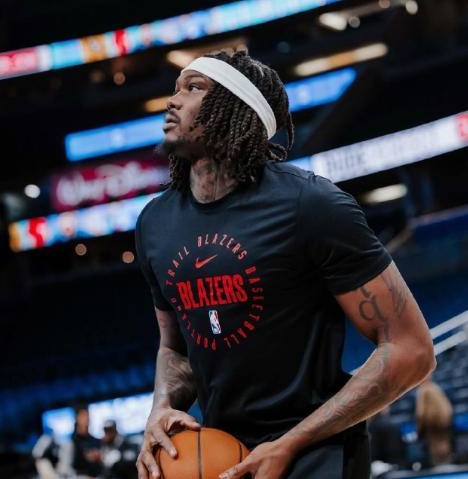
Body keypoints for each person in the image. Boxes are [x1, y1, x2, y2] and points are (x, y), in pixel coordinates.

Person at [135, 48, 436, 479]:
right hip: (226, 455)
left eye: (193, 88)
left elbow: (412, 349)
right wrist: (161, 407)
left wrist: (290, 443)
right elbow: (176, 349)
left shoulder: (311, 204)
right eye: (175, 87)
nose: (172, 100)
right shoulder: (155, 223)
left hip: (317, 455)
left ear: (235, 107)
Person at [416, 376, 453, 466]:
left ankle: (439, 466)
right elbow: (448, 407)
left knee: (435, 445)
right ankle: (447, 463)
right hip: (444, 420)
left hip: (432, 422)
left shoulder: (423, 390)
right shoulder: (436, 387)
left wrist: (419, 429)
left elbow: (420, 412)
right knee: (444, 442)